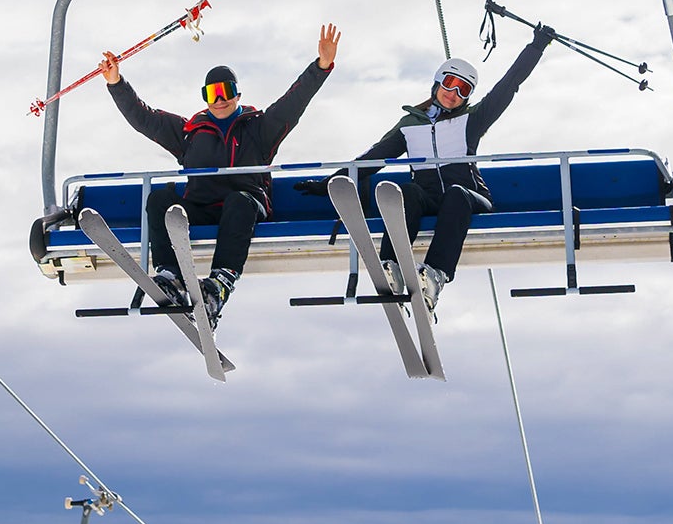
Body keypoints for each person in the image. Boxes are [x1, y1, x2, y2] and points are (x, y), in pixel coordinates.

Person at [98, 24, 341, 327]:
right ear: (205, 98)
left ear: (237, 94)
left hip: (243, 208)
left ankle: (219, 285)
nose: (220, 99)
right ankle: (170, 275)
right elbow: (144, 118)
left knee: (239, 201)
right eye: (212, 93)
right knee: (160, 199)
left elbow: (294, 102)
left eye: (226, 91)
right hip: (201, 206)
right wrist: (116, 82)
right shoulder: (189, 132)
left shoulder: (259, 129)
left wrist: (321, 65)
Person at [353, 23, 555, 311]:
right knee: (407, 191)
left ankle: (436, 274)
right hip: (431, 198)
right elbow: (373, 158)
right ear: (437, 83)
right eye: (449, 83)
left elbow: (508, 86)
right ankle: (392, 266)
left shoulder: (472, 121)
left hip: (469, 200)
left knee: (457, 194)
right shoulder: (411, 125)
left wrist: (536, 46)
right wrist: (331, 182)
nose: (453, 93)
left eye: (463, 89)